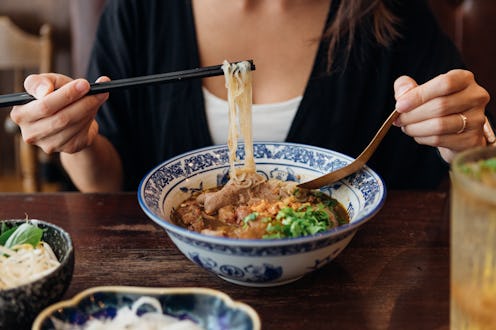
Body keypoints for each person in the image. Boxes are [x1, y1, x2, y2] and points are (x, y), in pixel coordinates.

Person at [10, 0, 493, 192]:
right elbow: (105, 188)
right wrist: (77, 139)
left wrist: (467, 145)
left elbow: (474, 172)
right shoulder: (142, 9)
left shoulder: (389, 13)